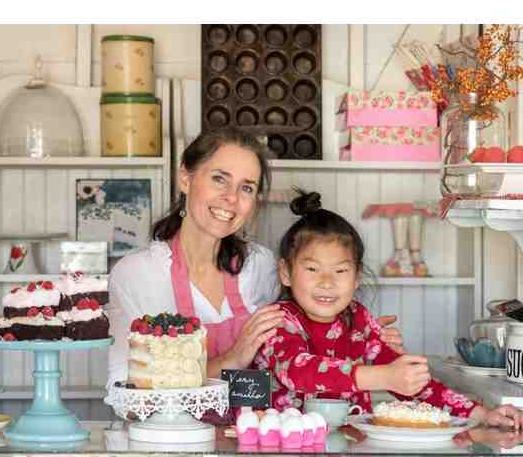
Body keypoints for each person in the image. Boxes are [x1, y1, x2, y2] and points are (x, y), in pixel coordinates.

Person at [106, 129, 404, 389]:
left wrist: (354, 336)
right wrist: (231, 359)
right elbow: (126, 386)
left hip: (259, 433)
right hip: (170, 435)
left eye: (246, 187)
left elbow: (301, 346)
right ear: (185, 178)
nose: (232, 198)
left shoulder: (261, 266)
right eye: (219, 179)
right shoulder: (139, 274)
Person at [252, 187, 522, 427]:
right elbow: (298, 372)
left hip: (351, 454)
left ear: (356, 278)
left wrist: (480, 414)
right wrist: (383, 376)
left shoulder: (358, 318)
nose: (326, 282)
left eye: (340, 270)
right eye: (312, 269)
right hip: (287, 454)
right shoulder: (278, 320)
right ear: (285, 272)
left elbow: (410, 381)